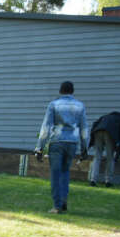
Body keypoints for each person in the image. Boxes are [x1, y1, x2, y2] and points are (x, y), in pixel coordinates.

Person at [34, 82, 88, 214]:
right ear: (72, 91)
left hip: (57, 141)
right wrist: (84, 148)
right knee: (65, 172)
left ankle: (57, 206)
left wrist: (39, 147)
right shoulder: (80, 106)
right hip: (72, 143)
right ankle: (63, 200)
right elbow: (84, 128)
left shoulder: (54, 104)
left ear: (60, 91)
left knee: (55, 173)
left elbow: (46, 127)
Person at [88, 112, 120, 187]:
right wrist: (119, 149)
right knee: (110, 158)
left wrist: (92, 140)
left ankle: (93, 180)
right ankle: (108, 181)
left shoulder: (106, 116)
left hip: (97, 131)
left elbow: (95, 124)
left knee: (97, 157)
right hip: (110, 133)